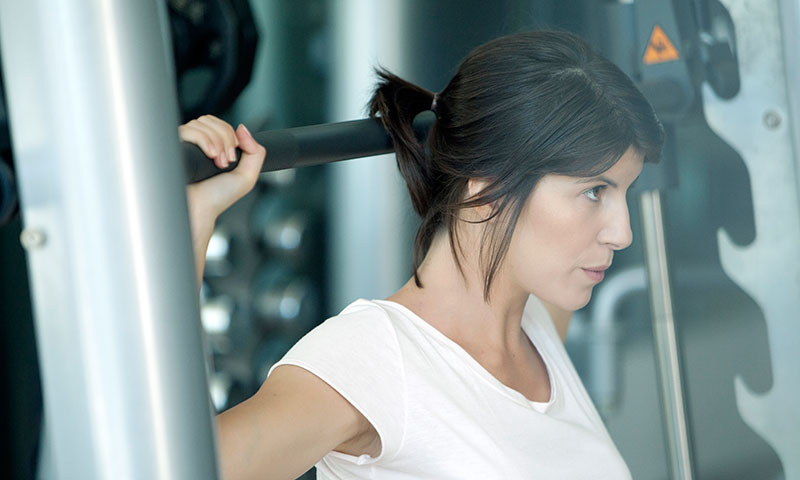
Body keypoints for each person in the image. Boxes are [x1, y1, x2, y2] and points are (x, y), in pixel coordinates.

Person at [181, 30, 664, 480]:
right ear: (489, 188)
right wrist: (187, 220)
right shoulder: (372, 359)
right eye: (596, 192)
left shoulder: (537, 322)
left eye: (626, 191)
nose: (622, 233)